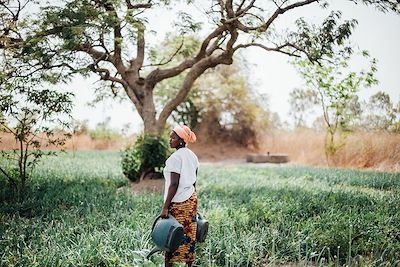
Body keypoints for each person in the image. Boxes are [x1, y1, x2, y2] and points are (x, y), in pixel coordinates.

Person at [161, 125, 199, 267]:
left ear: (182, 140)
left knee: (171, 236)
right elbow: (194, 181)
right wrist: (194, 201)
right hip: (191, 199)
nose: (170, 140)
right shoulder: (193, 156)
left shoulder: (175, 158)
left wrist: (165, 207)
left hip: (178, 203)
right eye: (170, 136)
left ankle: (168, 265)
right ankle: (189, 264)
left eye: (173, 137)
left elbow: (174, 184)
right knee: (189, 234)